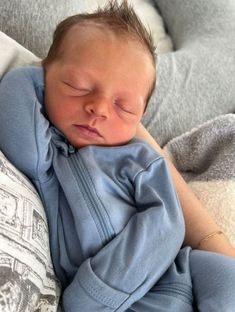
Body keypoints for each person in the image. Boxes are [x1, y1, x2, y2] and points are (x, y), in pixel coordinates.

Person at [0, 1, 235, 311]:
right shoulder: (46, 156)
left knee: (227, 275)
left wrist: (99, 291)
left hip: (175, 276)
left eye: (123, 106)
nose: (98, 108)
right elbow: (15, 99)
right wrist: (40, 73)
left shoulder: (138, 159)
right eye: (78, 85)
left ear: (140, 117)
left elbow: (166, 224)